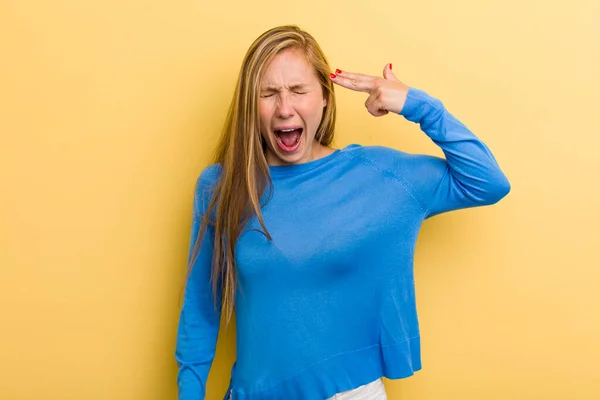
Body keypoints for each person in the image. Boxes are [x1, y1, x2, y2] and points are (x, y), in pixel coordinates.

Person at [175, 25, 511, 400]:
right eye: (267, 94)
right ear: (250, 105)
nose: (285, 108)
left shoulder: (378, 176)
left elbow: (487, 181)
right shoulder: (223, 186)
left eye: (299, 90)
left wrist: (416, 105)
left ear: (324, 97)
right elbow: (200, 308)